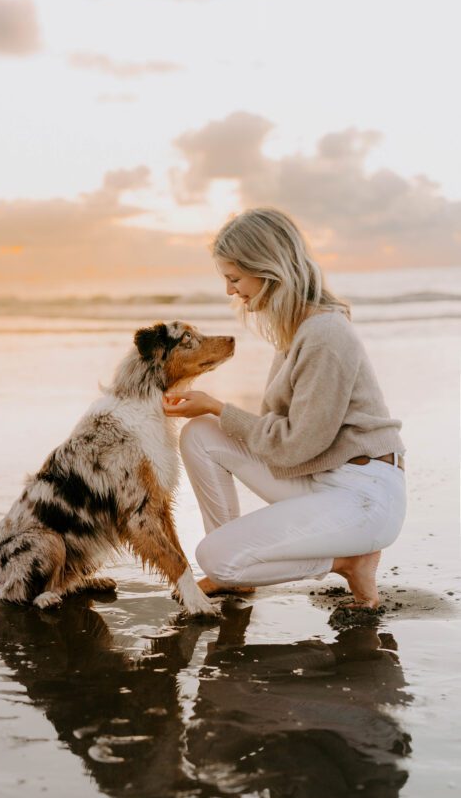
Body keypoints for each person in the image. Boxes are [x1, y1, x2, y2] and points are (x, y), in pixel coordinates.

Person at [163, 207, 407, 608]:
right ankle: (235, 576)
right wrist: (210, 413)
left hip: (363, 496)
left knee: (215, 557)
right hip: (323, 474)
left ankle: (349, 560)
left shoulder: (326, 334)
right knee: (201, 434)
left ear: (268, 269)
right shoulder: (298, 331)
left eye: (234, 279)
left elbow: (297, 445)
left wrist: (219, 407)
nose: (230, 291)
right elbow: (289, 435)